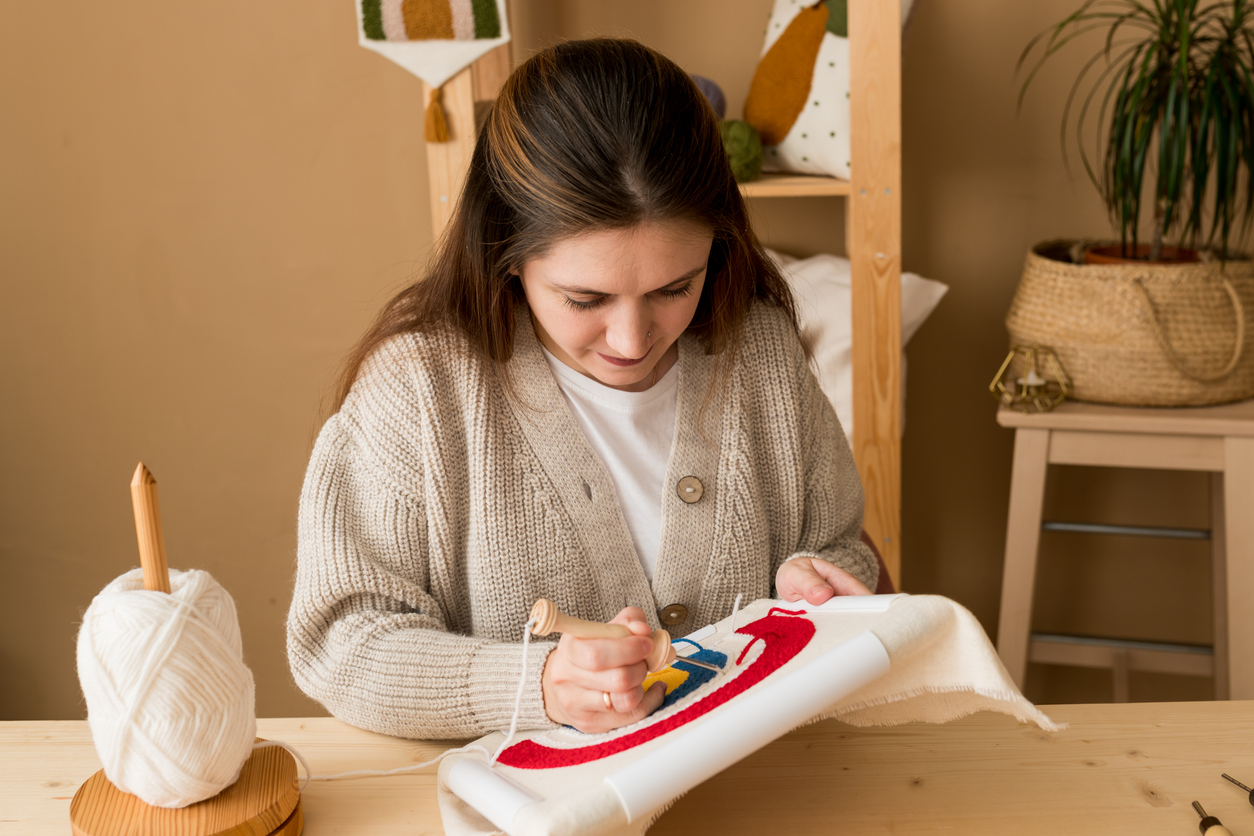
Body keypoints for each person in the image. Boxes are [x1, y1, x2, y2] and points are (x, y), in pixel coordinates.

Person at [287, 38, 878, 740]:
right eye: (583, 298)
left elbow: (841, 547)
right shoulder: (418, 391)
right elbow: (341, 641)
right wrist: (539, 686)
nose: (631, 341)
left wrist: (819, 581)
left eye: (674, 288)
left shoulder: (760, 352)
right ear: (508, 258)